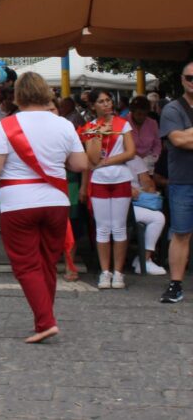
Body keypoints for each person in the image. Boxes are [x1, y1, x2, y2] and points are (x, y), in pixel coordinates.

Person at [0, 72, 88, 343]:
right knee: (48, 262)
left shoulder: (7, 125)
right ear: (46, 93)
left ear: (17, 96)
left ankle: (45, 321)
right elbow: (80, 165)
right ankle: (44, 316)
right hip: (56, 202)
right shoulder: (63, 125)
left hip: (18, 202)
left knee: (26, 264)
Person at [79, 89, 136, 289]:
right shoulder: (89, 127)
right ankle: (105, 272)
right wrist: (97, 135)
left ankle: (119, 273)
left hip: (120, 177)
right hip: (99, 181)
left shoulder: (123, 124)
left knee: (119, 226)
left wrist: (107, 161)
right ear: (93, 106)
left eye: (108, 100)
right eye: (101, 101)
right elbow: (91, 159)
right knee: (102, 227)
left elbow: (131, 152)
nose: (106, 104)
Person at [158, 63, 193, 303]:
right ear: (182, 80)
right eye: (190, 77)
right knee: (181, 233)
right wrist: (183, 136)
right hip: (183, 181)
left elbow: (184, 137)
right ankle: (175, 284)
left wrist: (187, 134)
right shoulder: (172, 109)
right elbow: (178, 140)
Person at [127, 158, 167, 275]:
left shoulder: (134, 158)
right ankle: (144, 260)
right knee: (157, 218)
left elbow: (149, 185)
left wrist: (140, 188)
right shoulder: (107, 158)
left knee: (158, 217)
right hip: (117, 201)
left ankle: (143, 258)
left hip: (137, 202)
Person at [126, 95, 161, 168]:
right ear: (132, 111)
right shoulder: (124, 122)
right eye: (139, 114)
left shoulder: (153, 123)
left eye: (145, 114)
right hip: (128, 162)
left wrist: (154, 156)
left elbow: (157, 144)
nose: (142, 117)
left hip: (149, 162)